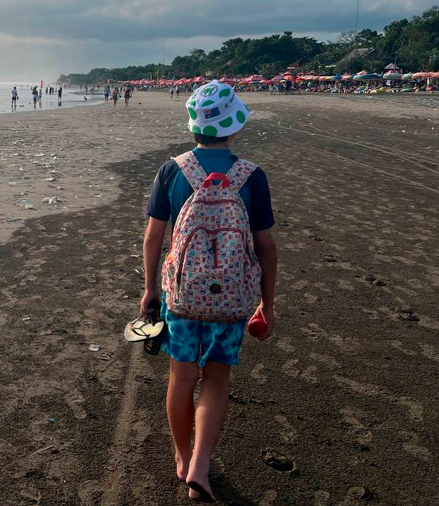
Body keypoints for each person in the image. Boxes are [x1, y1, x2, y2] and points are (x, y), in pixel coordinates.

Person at [141, 80, 278, 502]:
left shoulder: (171, 170)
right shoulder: (252, 176)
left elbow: (153, 239)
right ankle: (201, 465)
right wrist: (266, 303)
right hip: (232, 297)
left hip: (181, 296)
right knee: (216, 376)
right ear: (234, 125)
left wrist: (150, 292)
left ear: (193, 125)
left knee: (181, 375)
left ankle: (182, 457)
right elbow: (265, 246)